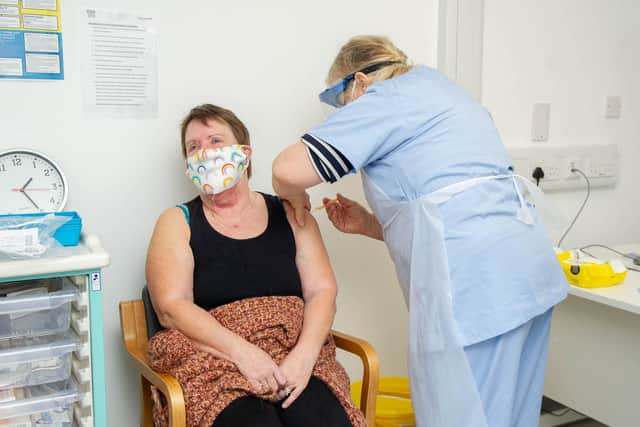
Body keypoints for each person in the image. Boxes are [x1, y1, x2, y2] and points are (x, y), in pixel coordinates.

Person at [272, 35, 569, 427]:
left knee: (462, 414)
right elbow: (447, 201)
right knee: (511, 415)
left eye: (342, 104)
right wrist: (370, 225)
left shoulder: (385, 98)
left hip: (478, 286)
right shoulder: (440, 88)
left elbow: (286, 170)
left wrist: (293, 198)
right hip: (524, 271)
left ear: (359, 81)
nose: (344, 116)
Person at [146, 104, 362, 427]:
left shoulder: (292, 213)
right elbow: (171, 307)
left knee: (321, 419)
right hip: (214, 363)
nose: (204, 152)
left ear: (243, 153)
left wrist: (303, 359)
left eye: (215, 141)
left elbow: (322, 290)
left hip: (295, 353)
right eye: (194, 147)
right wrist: (243, 353)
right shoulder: (178, 222)